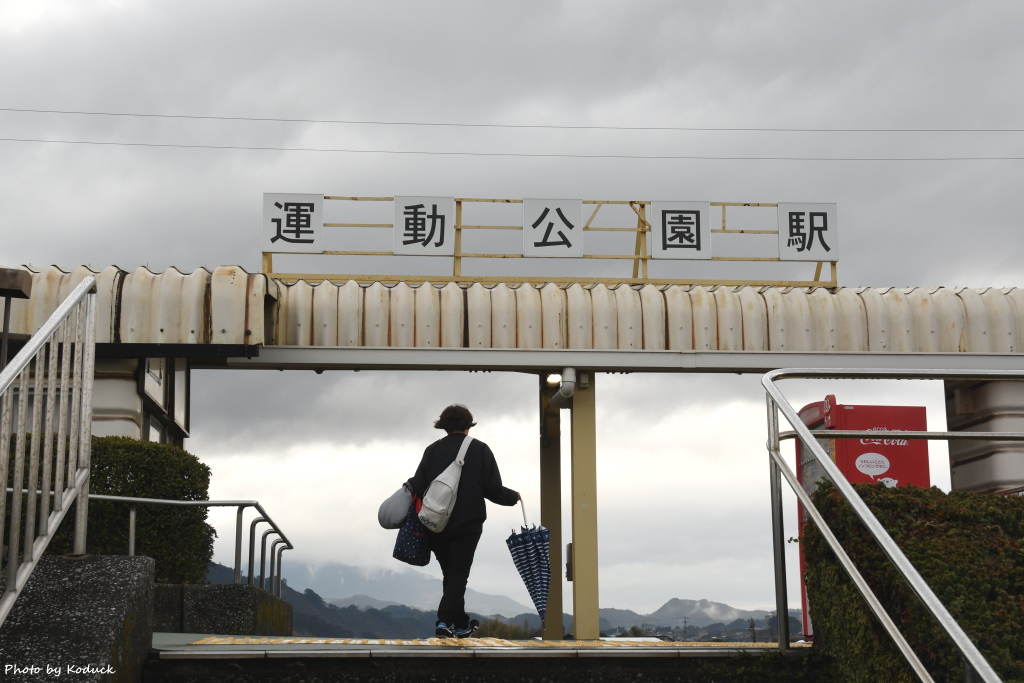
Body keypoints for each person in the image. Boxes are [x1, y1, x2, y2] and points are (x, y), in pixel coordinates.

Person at [408, 404, 520, 639]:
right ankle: (444, 621)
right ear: (469, 424)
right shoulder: (480, 449)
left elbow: (418, 484)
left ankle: (461, 624)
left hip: (435, 522)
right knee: (458, 573)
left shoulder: (432, 450)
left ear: (443, 425)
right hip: (467, 523)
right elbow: (493, 489)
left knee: (450, 574)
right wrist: (514, 497)